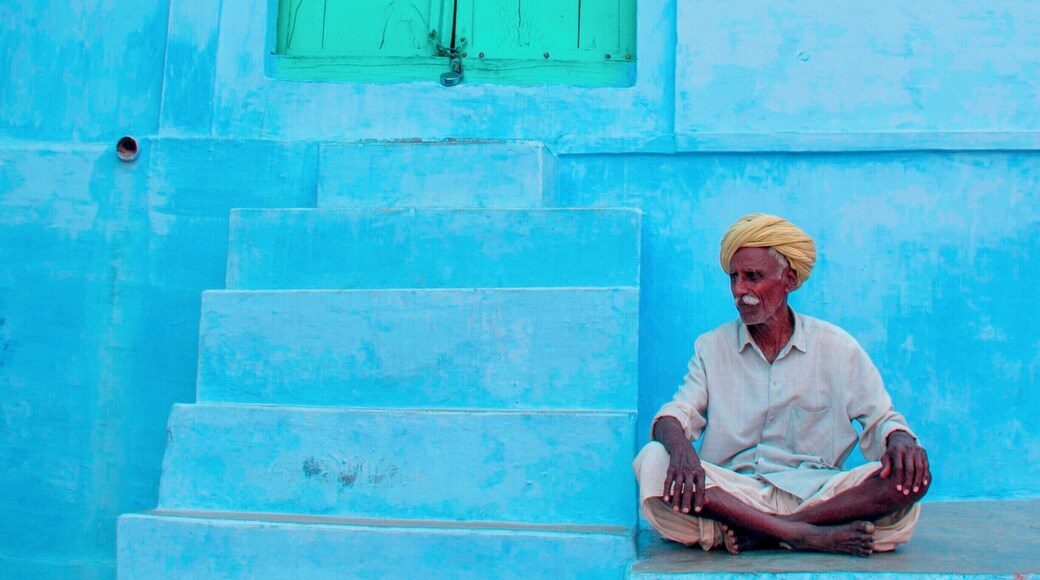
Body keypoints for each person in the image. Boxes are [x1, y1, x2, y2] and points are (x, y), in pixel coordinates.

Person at [633, 213, 930, 557]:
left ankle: (765, 532)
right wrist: (683, 451)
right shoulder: (711, 347)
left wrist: (901, 439)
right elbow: (676, 415)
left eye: (753, 277)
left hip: (818, 492)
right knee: (654, 459)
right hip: (735, 495)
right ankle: (804, 534)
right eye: (734, 278)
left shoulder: (838, 347)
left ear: (788, 279)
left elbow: (881, 420)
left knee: (912, 477)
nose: (740, 290)